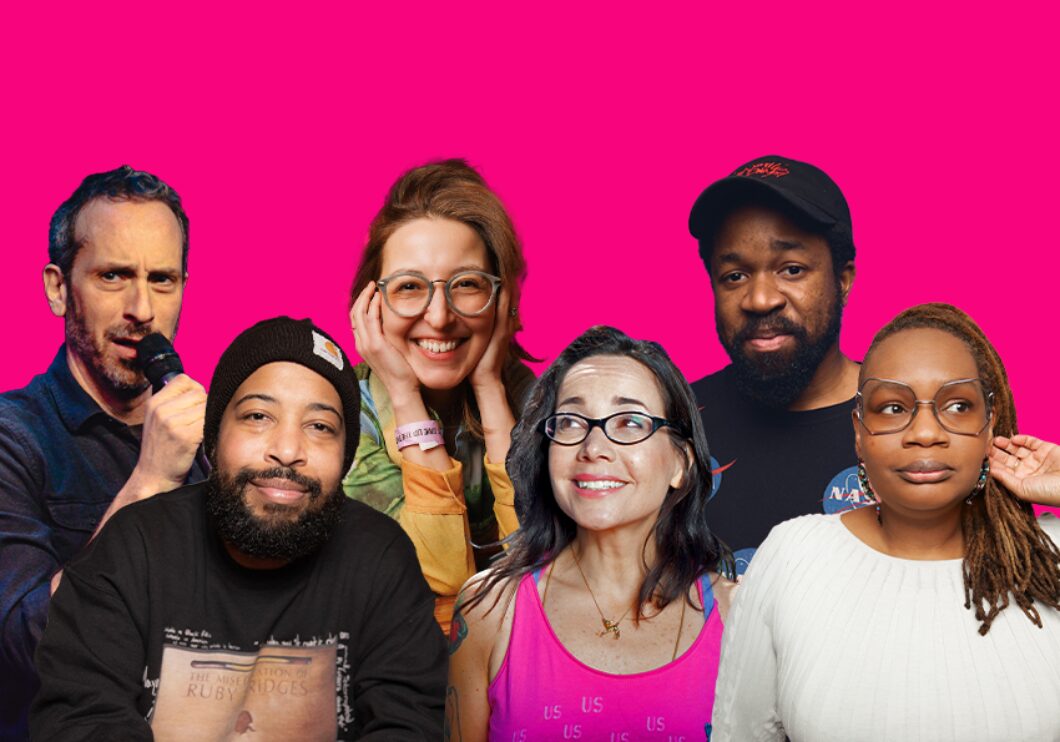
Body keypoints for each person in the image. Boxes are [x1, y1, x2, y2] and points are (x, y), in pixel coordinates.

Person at [30, 317, 446, 741]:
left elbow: (407, 725)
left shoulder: (379, 557)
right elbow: (80, 722)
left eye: (320, 426)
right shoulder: (131, 548)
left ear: (345, 457)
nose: (286, 451)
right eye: (258, 416)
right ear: (213, 440)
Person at [712, 303, 1060, 741]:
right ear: (859, 432)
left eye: (956, 405)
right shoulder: (794, 557)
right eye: (894, 407)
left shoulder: (1051, 557)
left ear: (990, 426)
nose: (925, 432)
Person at [447, 326, 736, 741]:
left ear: (681, 464)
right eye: (570, 422)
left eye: (630, 421)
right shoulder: (489, 609)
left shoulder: (740, 616)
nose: (593, 447)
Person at [0, 166, 207, 737]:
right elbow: (26, 644)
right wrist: (149, 481)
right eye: (114, 276)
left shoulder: (212, 442)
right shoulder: (14, 438)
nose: (143, 308)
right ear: (58, 287)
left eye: (163, 279)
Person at [346, 159, 536, 630]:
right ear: (371, 303)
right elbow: (437, 585)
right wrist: (405, 396)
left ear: (502, 298)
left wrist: (492, 392)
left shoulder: (537, 400)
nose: (440, 317)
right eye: (409, 287)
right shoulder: (341, 413)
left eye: (466, 285)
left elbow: (547, 570)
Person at [687, 154, 862, 572]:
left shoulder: (915, 424)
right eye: (734, 276)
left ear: (844, 280)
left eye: (792, 269)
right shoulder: (675, 424)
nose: (760, 299)